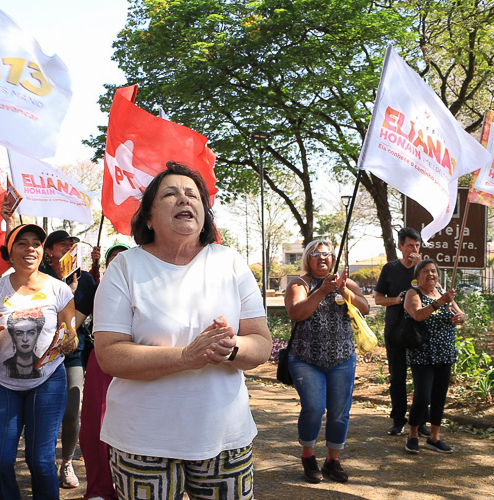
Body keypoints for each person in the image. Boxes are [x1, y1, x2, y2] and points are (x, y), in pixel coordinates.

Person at [93, 162, 272, 500]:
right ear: (148, 217)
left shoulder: (230, 263)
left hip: (223, 437)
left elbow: (261, 343)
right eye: (170, 194)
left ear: (204, 213)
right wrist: (187, 356)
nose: (184, 199)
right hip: (142, 440)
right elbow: (110, 354)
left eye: (192, 195)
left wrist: (231, 349)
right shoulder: (125, 268)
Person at [0, 223, 78, 500]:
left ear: (42, 252)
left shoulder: (60, 290)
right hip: (3, 384)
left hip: (48, 382)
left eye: (36, 243)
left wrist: (71, 340)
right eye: (22, 243)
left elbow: (71, 335)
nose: (30, 248)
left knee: (40, 461)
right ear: (10, 252)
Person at [284, 239, 369, 484]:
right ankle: (308, 455)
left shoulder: (346, 283)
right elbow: (296, 312)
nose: (322, 258)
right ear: (307, 259)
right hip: (305, 358)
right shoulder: (299, 284)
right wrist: (322, 291)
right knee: (313, 408)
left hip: (342, 358)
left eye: (327, 254)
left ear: (333, 258)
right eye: (316, 254)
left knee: (339, 413)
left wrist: (343, 290)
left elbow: (364, 308)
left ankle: (333, 460)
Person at [39, 229, 97, 489]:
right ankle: (44, 462)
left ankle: (67, 463)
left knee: (72, 411)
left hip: (72, 353)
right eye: (62, 245)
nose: (68, 249)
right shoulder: (37, 277)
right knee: (43, 412)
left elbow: (75, 323)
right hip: (40, 355)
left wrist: (70, 293)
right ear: (48, 250)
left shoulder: (85, 281)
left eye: (72, 245)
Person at [80, 242, 128, 500]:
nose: (120, 263)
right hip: (102, 362)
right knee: (95, 423)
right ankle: (99, 488)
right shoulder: (98, 289)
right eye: (114, 260)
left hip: (140, 362)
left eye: (125, 258)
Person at [402, 259, 465, 454]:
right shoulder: (413, 293)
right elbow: (418, 315)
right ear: (418, 276)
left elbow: (460, 314)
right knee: (422, 397)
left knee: (439, 397)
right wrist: (440, 302)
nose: (431, 275)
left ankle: (434, 438)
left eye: (434, 271)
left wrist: (460, 317)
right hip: (423, 353)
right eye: (426, 272)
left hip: (445, 353)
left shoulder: (442, 292)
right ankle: (413, 434)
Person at [375, 227, 430, 437]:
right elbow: (378, 299)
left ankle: (421, 421)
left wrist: (421, 268)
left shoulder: (425, 268)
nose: (414, 249)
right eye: (410, 246)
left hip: (420, 331)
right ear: (400, 247)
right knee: (397, 377)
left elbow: (437, 293)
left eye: (417, 246)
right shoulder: (389, 269)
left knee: (421, 378)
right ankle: (398, 420)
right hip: (396, 331)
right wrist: (397, 300)